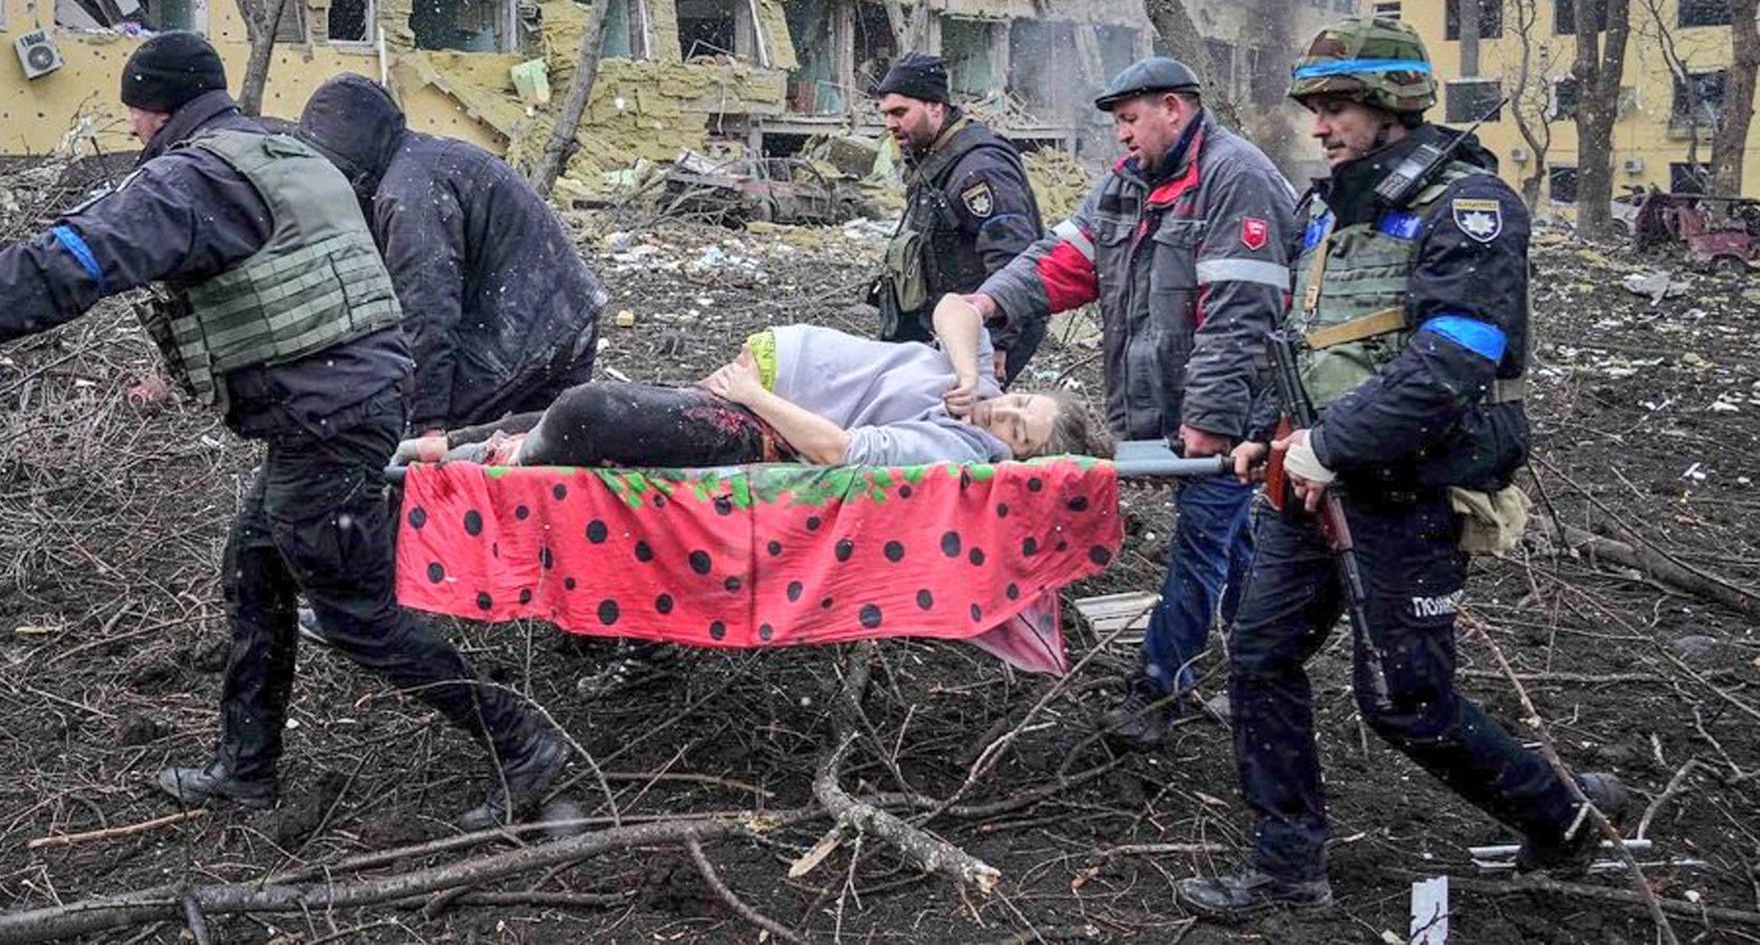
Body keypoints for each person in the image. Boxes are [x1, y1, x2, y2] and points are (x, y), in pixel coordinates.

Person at [0, 33, 565, 830]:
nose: (128, 130)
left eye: (131, 111)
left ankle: (521, 740)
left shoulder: (192, 181)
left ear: (156, 108)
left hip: (326, 414)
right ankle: (244, 770)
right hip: (347, 400)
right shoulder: (280, 149)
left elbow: (65, 265)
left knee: (356, 611)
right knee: (254, 570)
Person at [1176, 18, 1627, 920]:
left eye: (1337, 105)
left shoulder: (1469, 206)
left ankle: (1565, 819)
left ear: (1391, 106)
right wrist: (1275, 434)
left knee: (1405, 703)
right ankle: (1287, 871)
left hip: (1406, 491)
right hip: (1309, 485)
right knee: (1259, 656)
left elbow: (1454, 359)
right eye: (1315, 106)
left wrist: (1329, 447)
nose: (1321, 123)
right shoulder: (1328, 207)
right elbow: (1310, 346)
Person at [964, 55, 1296, 748]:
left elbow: (1242, 315)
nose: (1120, 135)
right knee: (1230, 540)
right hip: (1168, 409)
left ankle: (1158, 686)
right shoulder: (1127, 186)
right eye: (1116, 122)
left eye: (1130, 119)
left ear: (1174, 108)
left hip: (1233, 411)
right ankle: (1261, 665)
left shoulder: (1237, 180)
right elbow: (1061, 261)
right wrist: (990, 303)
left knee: (1202, 541)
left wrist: (1208, 420)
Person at [429, 295, 1095, 469]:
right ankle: (434, 448)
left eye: (1017, 432)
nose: (1001, 414)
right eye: (1020, 402)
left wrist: (753, 396)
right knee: (564, 416)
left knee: (589, 411)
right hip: (756, 381)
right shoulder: (975, 390)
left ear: (1016, 461)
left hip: (762, 422)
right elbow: (956, 308)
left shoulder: (958, 450)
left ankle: (482, 465)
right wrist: (974, 370)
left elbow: (838, 450)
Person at [298, 74, 605, 435]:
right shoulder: (421, 161)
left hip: (528, 330)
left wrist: (427, 420)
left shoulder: (409, 193)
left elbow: (427, 310)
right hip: (563, 314)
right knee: (532, 461)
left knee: (406, 443)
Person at [867, 51, 1048, 383]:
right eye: (886, 114)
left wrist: (997, 340)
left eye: (900, 112)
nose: (890, 124)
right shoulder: (936, 160)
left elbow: (1012, 257)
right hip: (951, 326)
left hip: (981, 330)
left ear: (936, 106)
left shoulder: (978, 169)